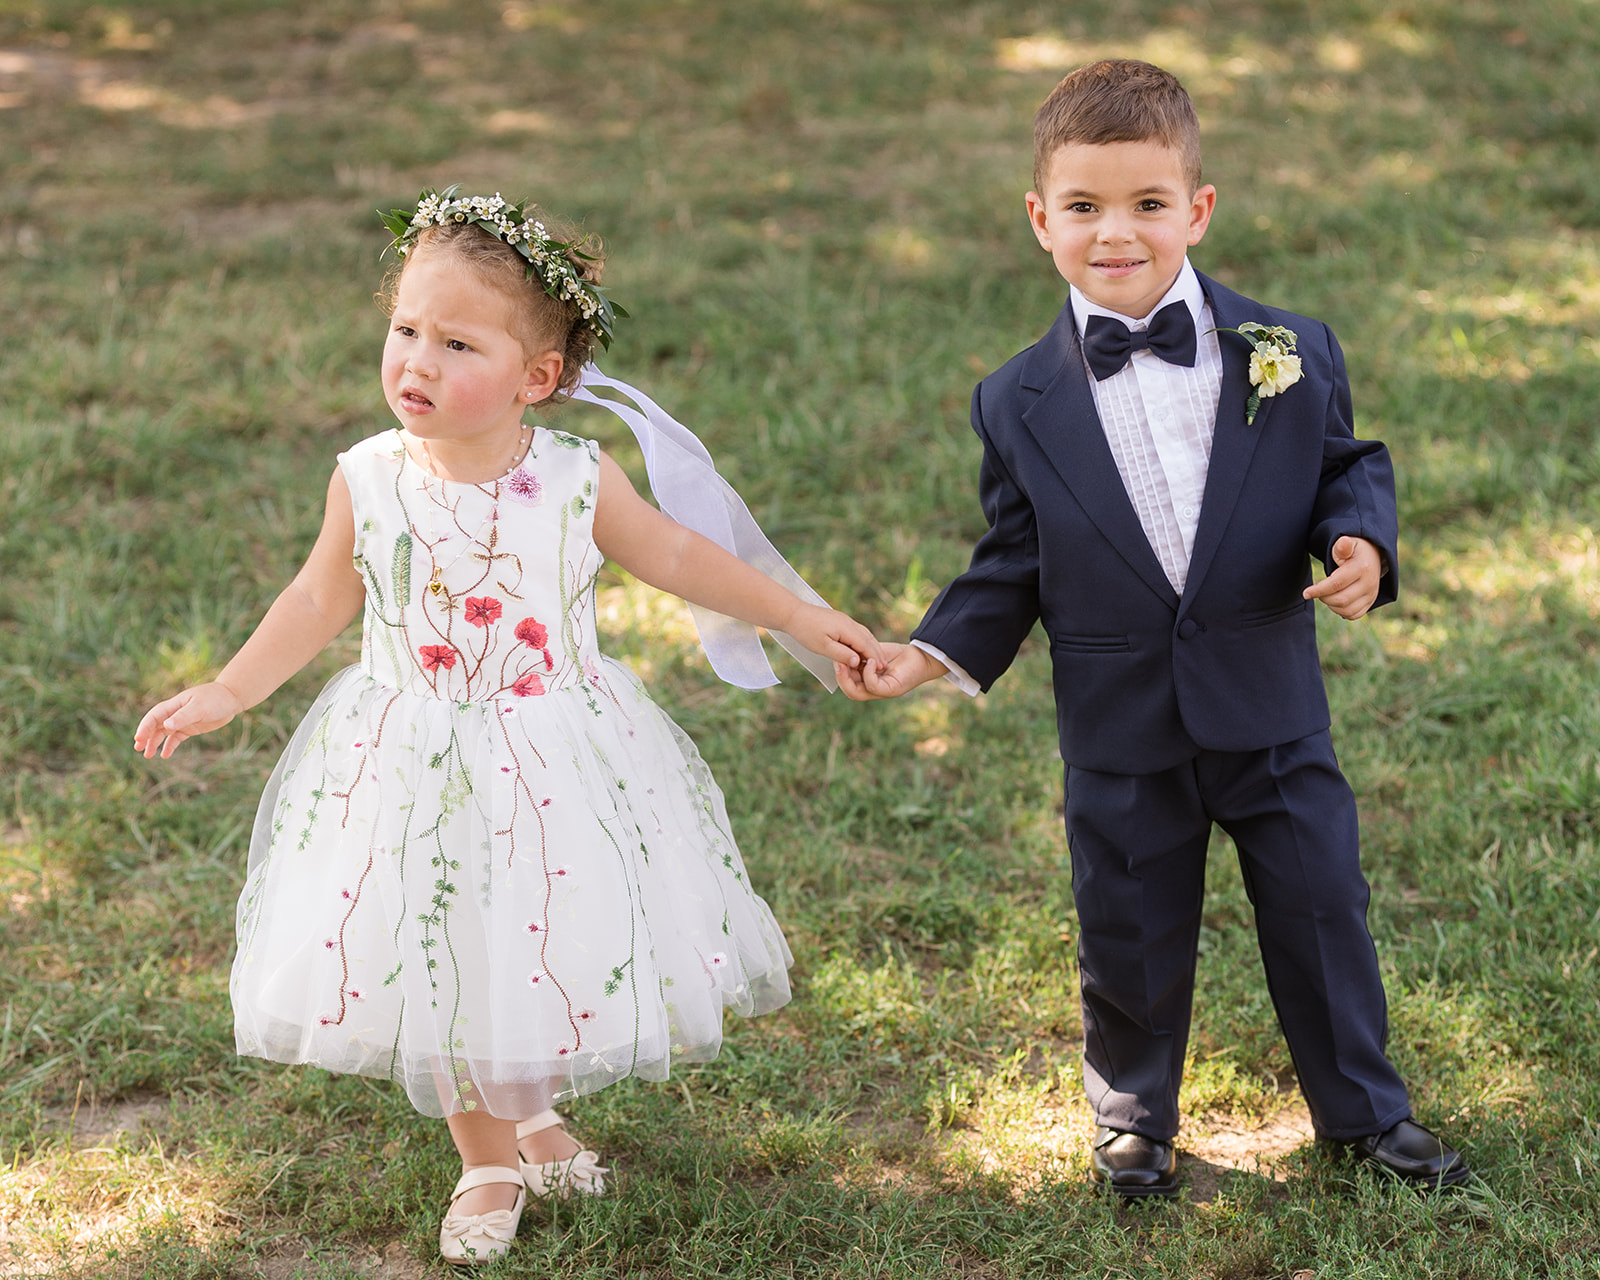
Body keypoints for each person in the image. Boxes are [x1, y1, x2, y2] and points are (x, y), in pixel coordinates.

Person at [134, 187, 881, 1264]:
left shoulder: (576, 480)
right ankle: (484, 1150)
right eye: (403, 331)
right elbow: (313, 598)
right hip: (409, 756)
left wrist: (801, 614)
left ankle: (532, 1109)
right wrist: (229, 690)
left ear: (537, 378)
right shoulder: (369, 476)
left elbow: (676, 556)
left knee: (531, 935)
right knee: (438, 939)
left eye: (454, 341)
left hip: (554, 753)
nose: (416, 363)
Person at [837, 59, 1469, 1198]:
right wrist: (927, 650)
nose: (1114, 232)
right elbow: (1013, 554)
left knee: (1322, 906)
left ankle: (1365, 1115)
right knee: (1126, 923)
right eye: (1082, 207)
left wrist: (1359, 543)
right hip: (1120, 720)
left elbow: (1343, 464)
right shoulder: (1013, 398)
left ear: (1198, 209)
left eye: (1145, 204)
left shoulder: (1287, 347)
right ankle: (1134, 1117)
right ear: (1039, 219)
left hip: (1269, 702)